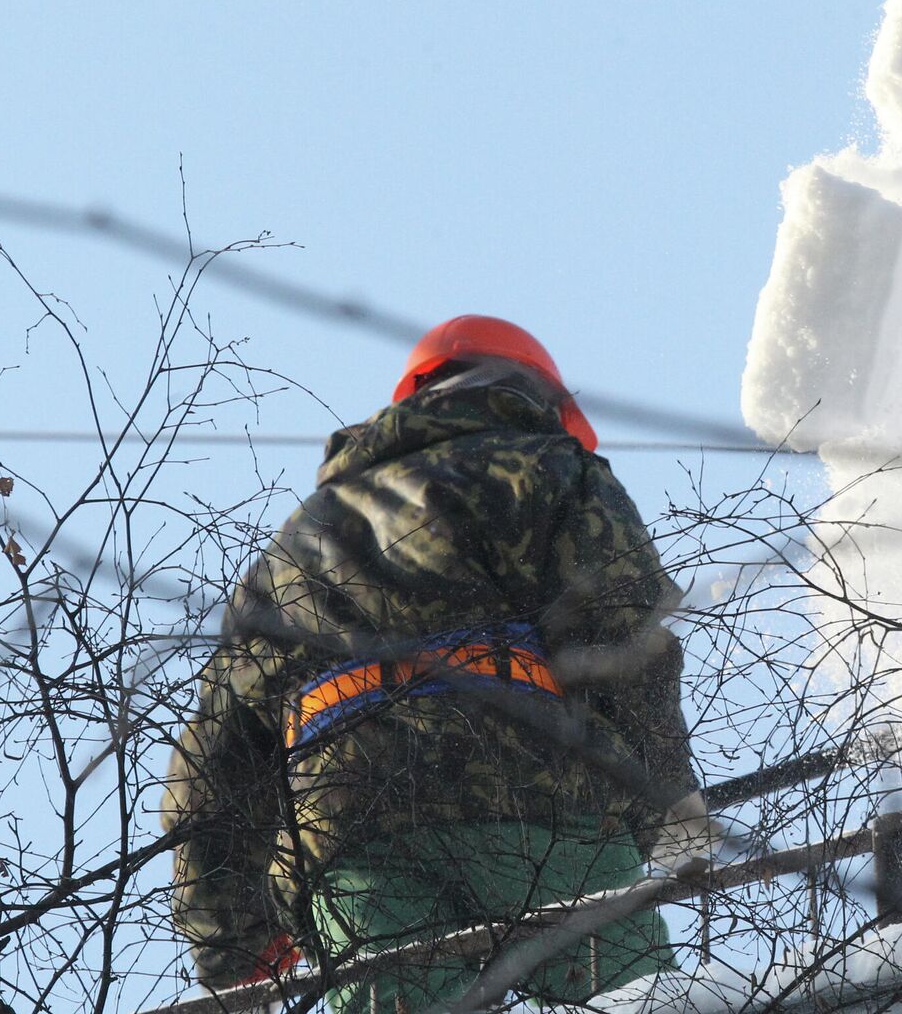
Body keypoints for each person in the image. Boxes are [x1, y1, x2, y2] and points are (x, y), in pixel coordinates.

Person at [161, 315, 712, 1012]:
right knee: (634, 1000)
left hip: (350, 832)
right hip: (538, 800)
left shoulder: (297, 540)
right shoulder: (551, 471)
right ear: (541, 398)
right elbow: (625, 639)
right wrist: (667, 792)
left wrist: (231, 940)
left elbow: (214, 755)